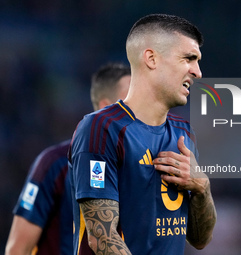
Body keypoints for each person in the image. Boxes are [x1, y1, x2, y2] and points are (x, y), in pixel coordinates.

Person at [68, 14, 216, 255]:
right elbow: (102, 238)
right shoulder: (102, 128)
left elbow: (200, 239)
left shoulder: (183, 133)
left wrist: (202, 187)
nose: (198, 72)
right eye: (189, 59)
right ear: (151, 58)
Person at [5, 62, 131, 255]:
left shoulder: (145, 164)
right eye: (131, 100)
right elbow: (17, 249)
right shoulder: (54, 164)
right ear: (107, 108)